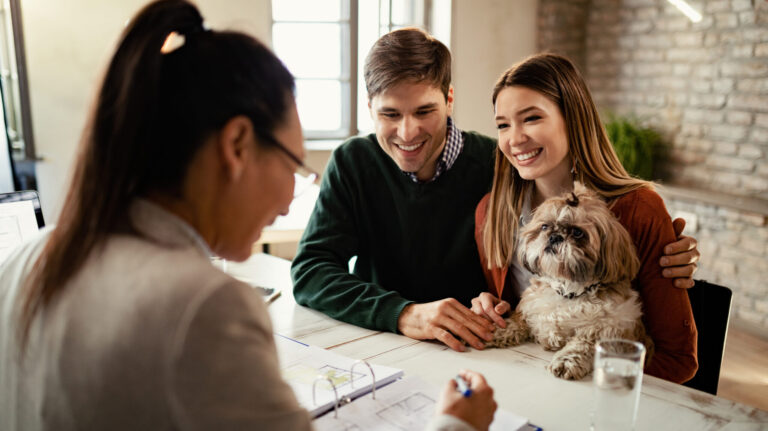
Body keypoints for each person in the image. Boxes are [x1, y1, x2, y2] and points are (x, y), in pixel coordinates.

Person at [0, 2, 497, 430]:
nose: (287, 203)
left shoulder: (24, 258)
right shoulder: (207, 308)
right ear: (237, 145)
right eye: (292, 164)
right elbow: (312, 268)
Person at [291, 28, 700, 354]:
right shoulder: (358, 162)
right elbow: (310, 270)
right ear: (369, 108)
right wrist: (406, 313)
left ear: (449, 100)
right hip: (399, 347)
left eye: (424, 111)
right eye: (390, 114)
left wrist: (665, 244)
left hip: (495, 354)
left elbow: (595, 216)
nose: (407, 131)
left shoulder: (499, 170)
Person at [471, 53, 698, 383]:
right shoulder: (492, 212)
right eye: (503, 124)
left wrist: (592, 364)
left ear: (572, 119)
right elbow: (513, 317)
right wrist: (489, 308)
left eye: (531, 118)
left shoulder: (640, 209)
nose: (514, 138)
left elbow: (678, 360)